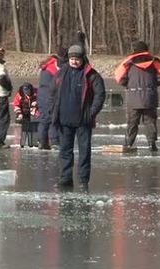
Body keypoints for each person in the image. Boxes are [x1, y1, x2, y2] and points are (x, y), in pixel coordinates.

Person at [51, 44, 106, 192]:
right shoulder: (61, 73)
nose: (74, 62)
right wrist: (54, 111)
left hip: (83, 120)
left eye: (77, 59)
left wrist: (91, 113)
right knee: (65, 150)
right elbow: (53, 93)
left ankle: (83, 179)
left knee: (84, 151)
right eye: (72, 59)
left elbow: (100, 95)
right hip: (64, 119)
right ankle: (65, 178)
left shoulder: (91, 74)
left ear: (82, 59)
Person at [114, 41, 160, 151]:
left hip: (133, 97)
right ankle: (151, 143)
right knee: (150, 121)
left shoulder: (128, 62)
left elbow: (119, 77)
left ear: (135, 50)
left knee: (132, 122)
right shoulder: (154, 61)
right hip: (150, 97)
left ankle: (129, 143)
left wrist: (127, 84)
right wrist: (154, 84)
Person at [36, 47, 66, 150]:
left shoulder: (47, 66)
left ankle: (42, 141)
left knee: (44, 119)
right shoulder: (54, 68)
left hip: (42, 96)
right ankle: (55, 141)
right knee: (53, 119)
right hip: (50, 96)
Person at [12, 82, 40, 147]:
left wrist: (36, 104)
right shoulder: (19, 94)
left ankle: (34, 142)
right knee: (23, 125)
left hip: (34, 112)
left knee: (34, 126)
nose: (27, 93)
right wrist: (19, 114)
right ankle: (22, 143)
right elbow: (16, 105)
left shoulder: (37, 93)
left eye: (28, 91)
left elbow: (43, 101)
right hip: (23, 112)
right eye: (25, 91)